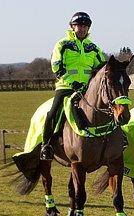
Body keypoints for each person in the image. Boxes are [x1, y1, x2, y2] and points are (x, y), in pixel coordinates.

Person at [40, 12, 106, 160]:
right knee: (53, 113)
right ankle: (46, 145)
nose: (82, 29)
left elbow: (101, 68)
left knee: (108, 107)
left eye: (85, 26)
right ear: (72, 27)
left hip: (87, 89)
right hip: (66, 86)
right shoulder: (62, 44)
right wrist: (72, 82)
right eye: (79, 26)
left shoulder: (93, 47)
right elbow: (57, 66)